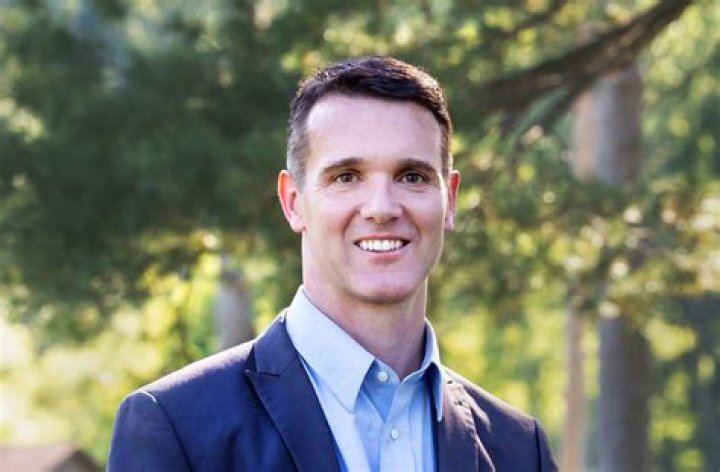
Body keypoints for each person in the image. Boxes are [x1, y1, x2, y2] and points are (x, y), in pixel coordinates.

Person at [108, 56, 558, 471]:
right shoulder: (177, 428)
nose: (381, 208)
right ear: (293, 201)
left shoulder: (519, 450)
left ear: (450, 201)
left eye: (412, 176)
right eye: (346, 177)